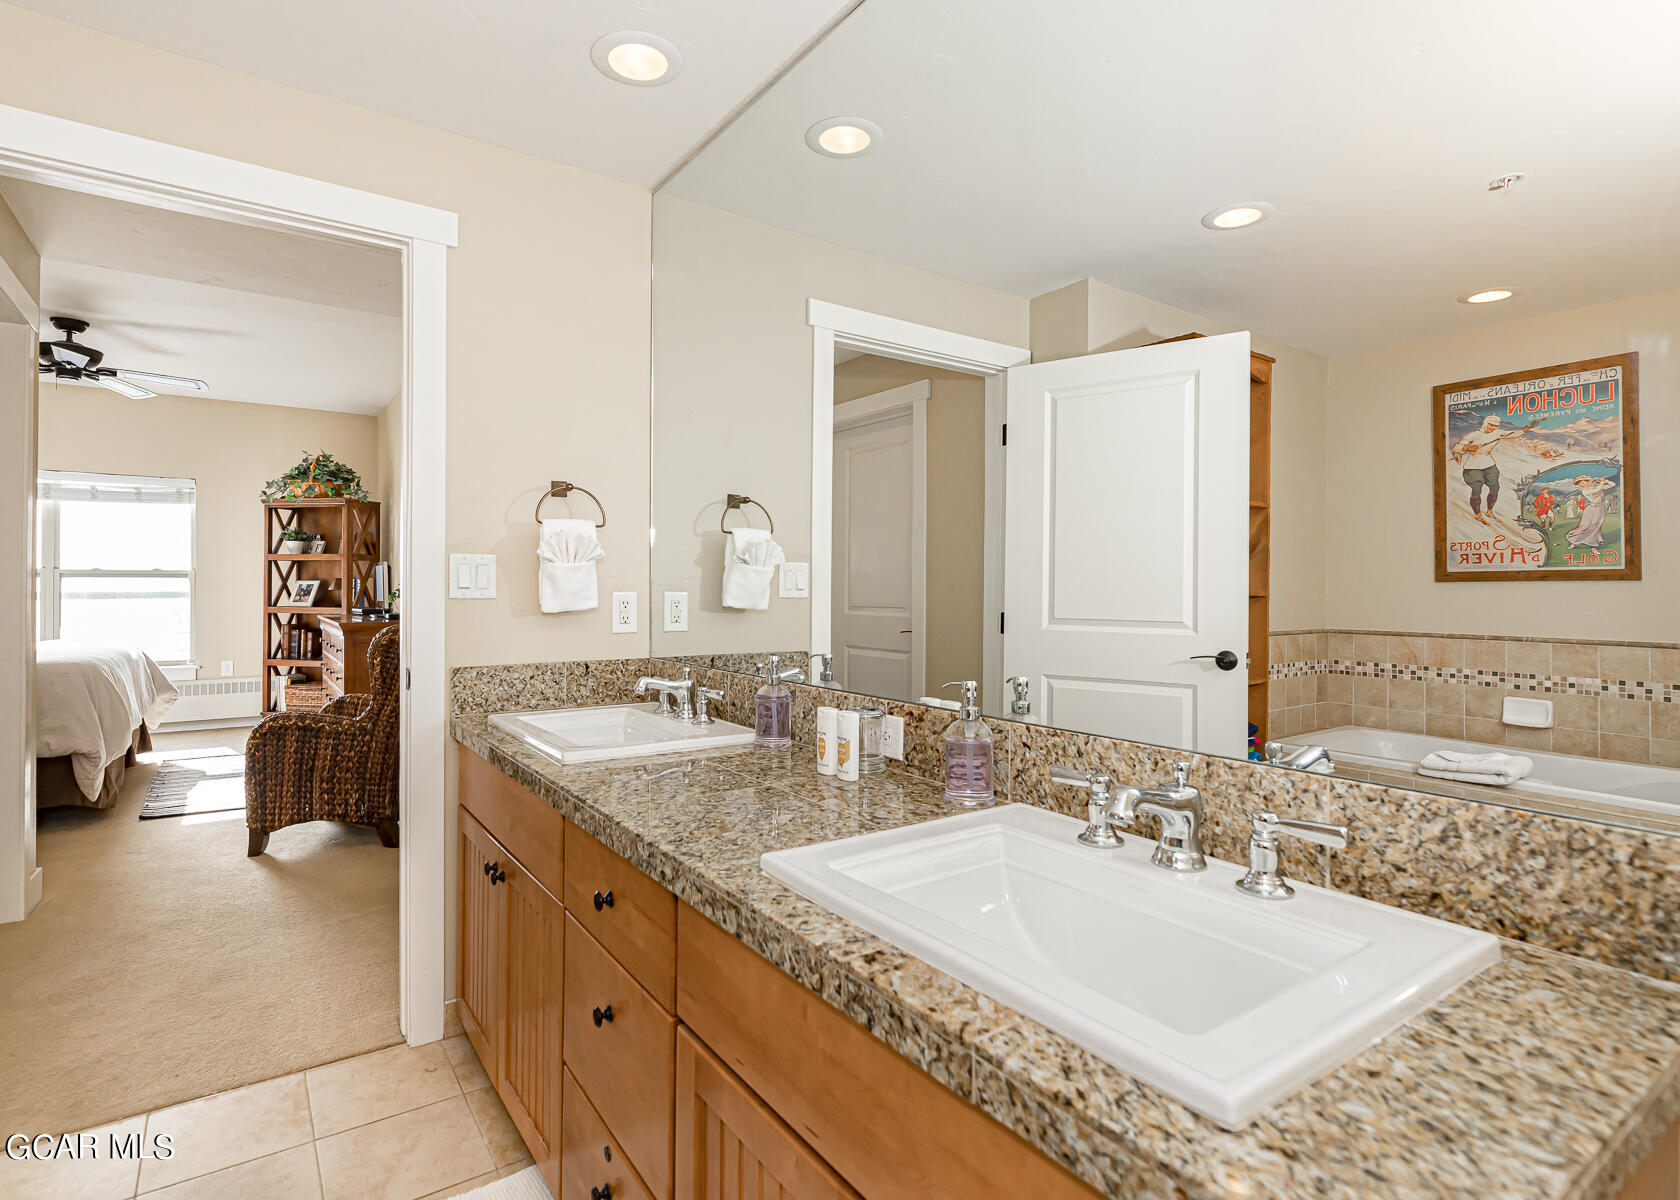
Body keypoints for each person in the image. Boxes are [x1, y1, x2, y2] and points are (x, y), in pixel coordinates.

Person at [1451, 415, 1526, 524]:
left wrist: (1525, 429)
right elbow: (1456, 447)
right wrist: (1467, 447)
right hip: (1474, 466)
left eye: (1495, 426)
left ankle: (1489, 511)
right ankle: (1477, 514)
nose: (1492, 428)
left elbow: (1512, 434)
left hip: (1489, 463)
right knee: (1477, 489)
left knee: (1495, 487)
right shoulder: (1474, 435)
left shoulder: (1497, 433)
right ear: (1485, 423)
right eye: (1491, 425)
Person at [1565, 474, 1616, 549]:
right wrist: (1601, 482)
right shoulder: (1585, 491)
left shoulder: (1595, 486)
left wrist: (1605, 481)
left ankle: (1593, 543)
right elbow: (1597, 490)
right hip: (1591, 509)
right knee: (1584, 527)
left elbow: (1613, 484)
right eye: (1580, 483)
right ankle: (1574, 541)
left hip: (1600, 508)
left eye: (1584, 482)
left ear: (1588, 482)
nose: (1582, 484)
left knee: (1597, 526)